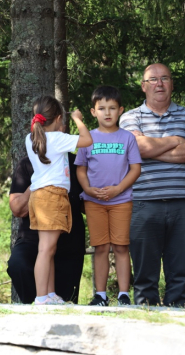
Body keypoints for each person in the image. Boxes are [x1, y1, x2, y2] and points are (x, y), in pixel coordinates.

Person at [120, 63, 185, 306]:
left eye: (164, 78)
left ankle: (178, 325)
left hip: (182, 203)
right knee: (145, 276)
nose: (159, 83)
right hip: (144, 204)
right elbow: (137, 147)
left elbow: (144, 148)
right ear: (143, 86)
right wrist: (176, 141)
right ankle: (144, 322)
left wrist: (149, 148)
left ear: (171, 83)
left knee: (181, 275)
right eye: (153, 79)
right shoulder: (131, 117)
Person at [75, 86, 141, 306]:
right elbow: (81, 169)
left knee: (121, 246)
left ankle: (124, 295)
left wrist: (118, 189)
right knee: (101, 247)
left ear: (120, 110)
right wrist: (88, 189)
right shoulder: (87, 138)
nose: (107, 113)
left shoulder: (127, 138)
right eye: (102, 108)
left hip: (121, 201)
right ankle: (100, 295)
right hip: (94, 202)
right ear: (93, 112)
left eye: (112, 108)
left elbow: (135, 169)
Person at [25, 95, 92, 305]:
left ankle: (50, 293)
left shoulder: (32, 138)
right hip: (52, 196)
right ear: (58, 118)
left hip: (39, 196)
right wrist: (79, 120)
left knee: (49, 248)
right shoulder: (56, 138)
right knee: (46, 248)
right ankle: (41, 297)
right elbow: (87, 140)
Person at [7, 143, 86, 304]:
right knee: (17, 264)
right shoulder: (27, 164)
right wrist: (41, 179)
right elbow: (17, 209)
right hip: (32, 240)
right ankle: (35, 305)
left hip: (69, 242)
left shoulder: (76, 162)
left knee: (65, 301)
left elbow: (88, 204)